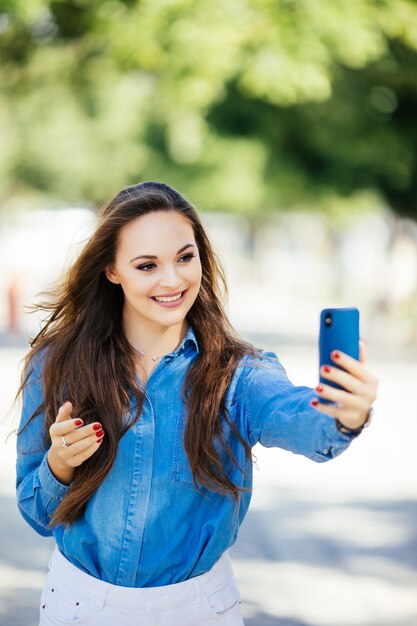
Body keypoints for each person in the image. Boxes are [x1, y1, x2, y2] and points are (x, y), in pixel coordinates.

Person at [15, 181, 378, 626]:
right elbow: (36, 512)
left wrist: (345, 413)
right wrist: (59, 464)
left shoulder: (237, 372)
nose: (173, 280)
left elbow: (295, 415)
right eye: (147, 265)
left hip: (197, 610)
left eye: (185, 258)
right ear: (111, 270)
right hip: (77, 605)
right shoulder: (54, 363)